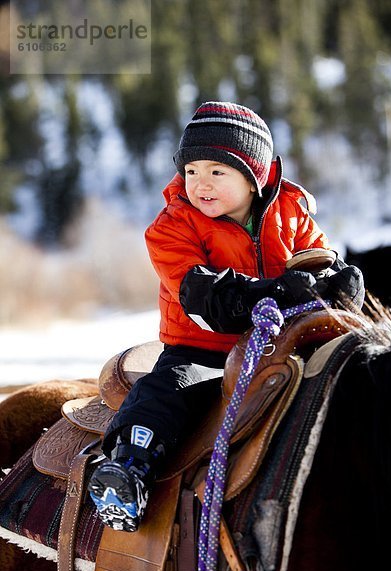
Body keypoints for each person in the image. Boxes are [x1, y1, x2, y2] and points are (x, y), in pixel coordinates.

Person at [88, 101, 364, 532]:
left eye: (217, 172)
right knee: (170, 390)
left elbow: (319, 259)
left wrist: (340, 282)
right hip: (202, 347)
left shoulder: (290, 212)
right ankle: (127, 469)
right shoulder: (172, 226)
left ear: (254, 177)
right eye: (192, 170)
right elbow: (207, 300)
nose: (201, 183)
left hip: (283, 344)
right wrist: (277, 290)